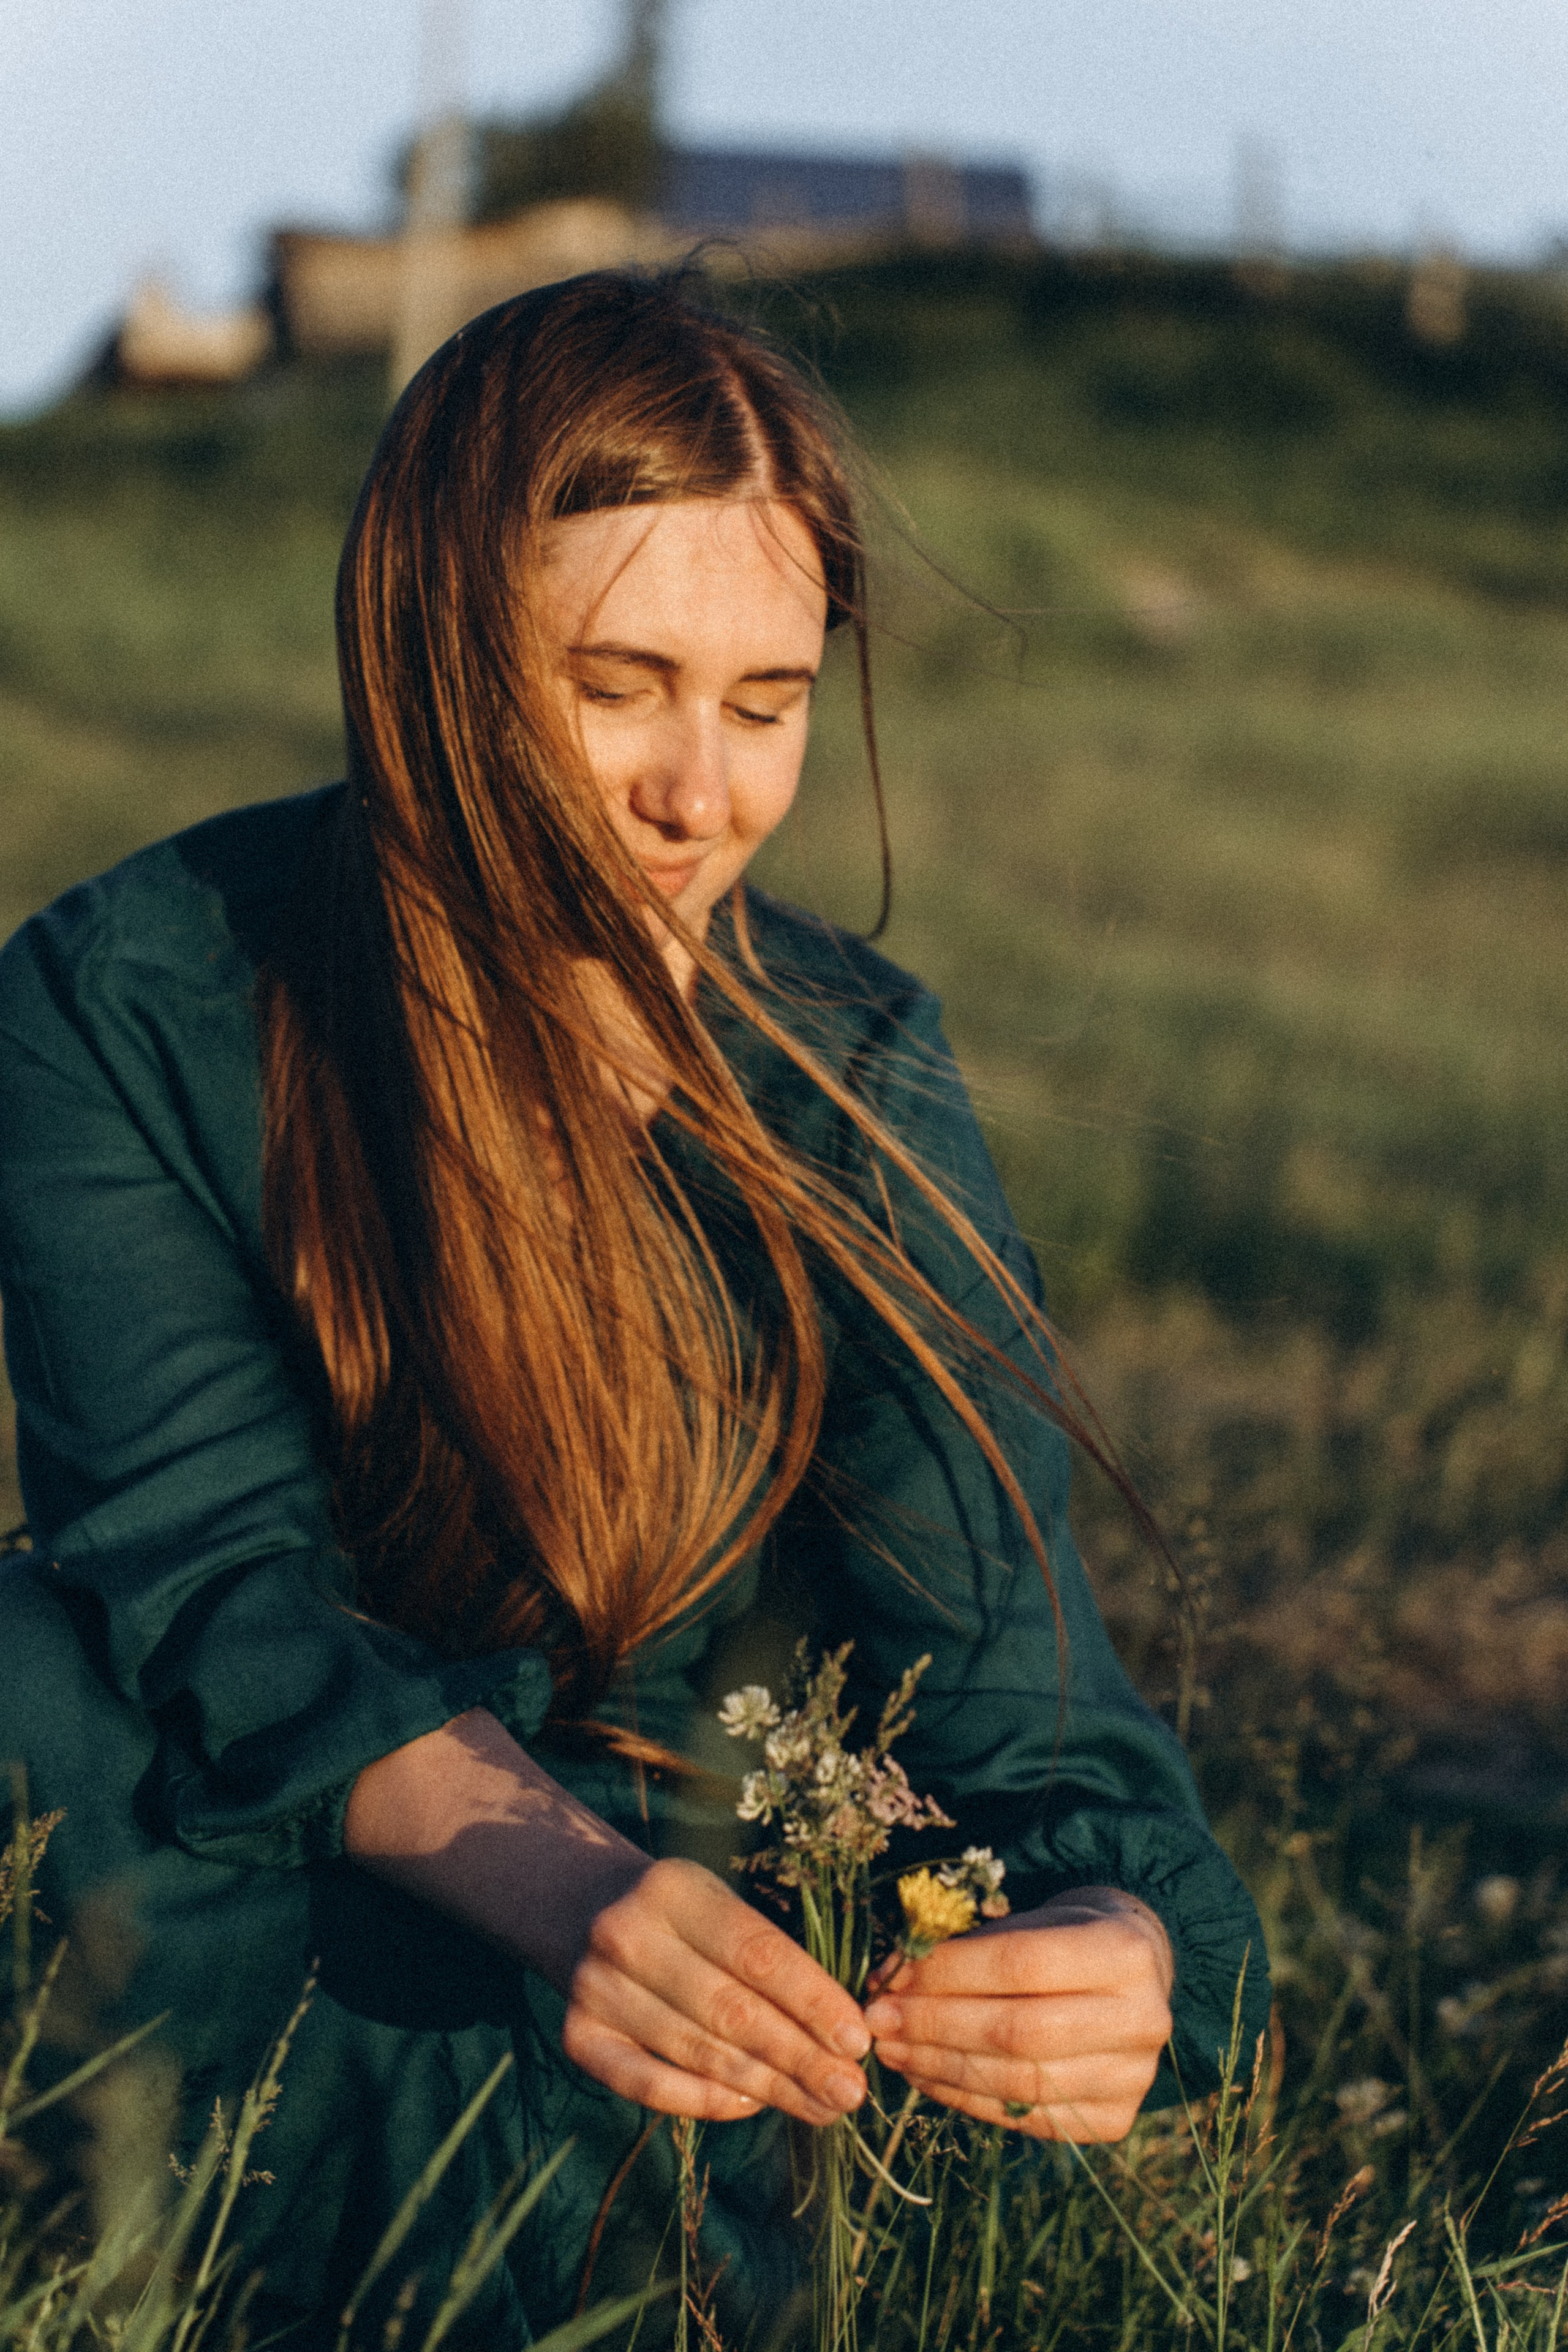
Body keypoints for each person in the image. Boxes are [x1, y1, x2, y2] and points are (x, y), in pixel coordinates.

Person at [0, 270, 1268, 2348]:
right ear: (436, 661)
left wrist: (1116, 1950)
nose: (704, 794)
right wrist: (565, 1892)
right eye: (618, 685)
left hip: (722, 1919)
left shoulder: (854, 1074)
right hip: (301, 1874)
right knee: (29, 1679)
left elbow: (1032, 1716)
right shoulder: (120, 1003)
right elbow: (215, 1589)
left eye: (767, 701)